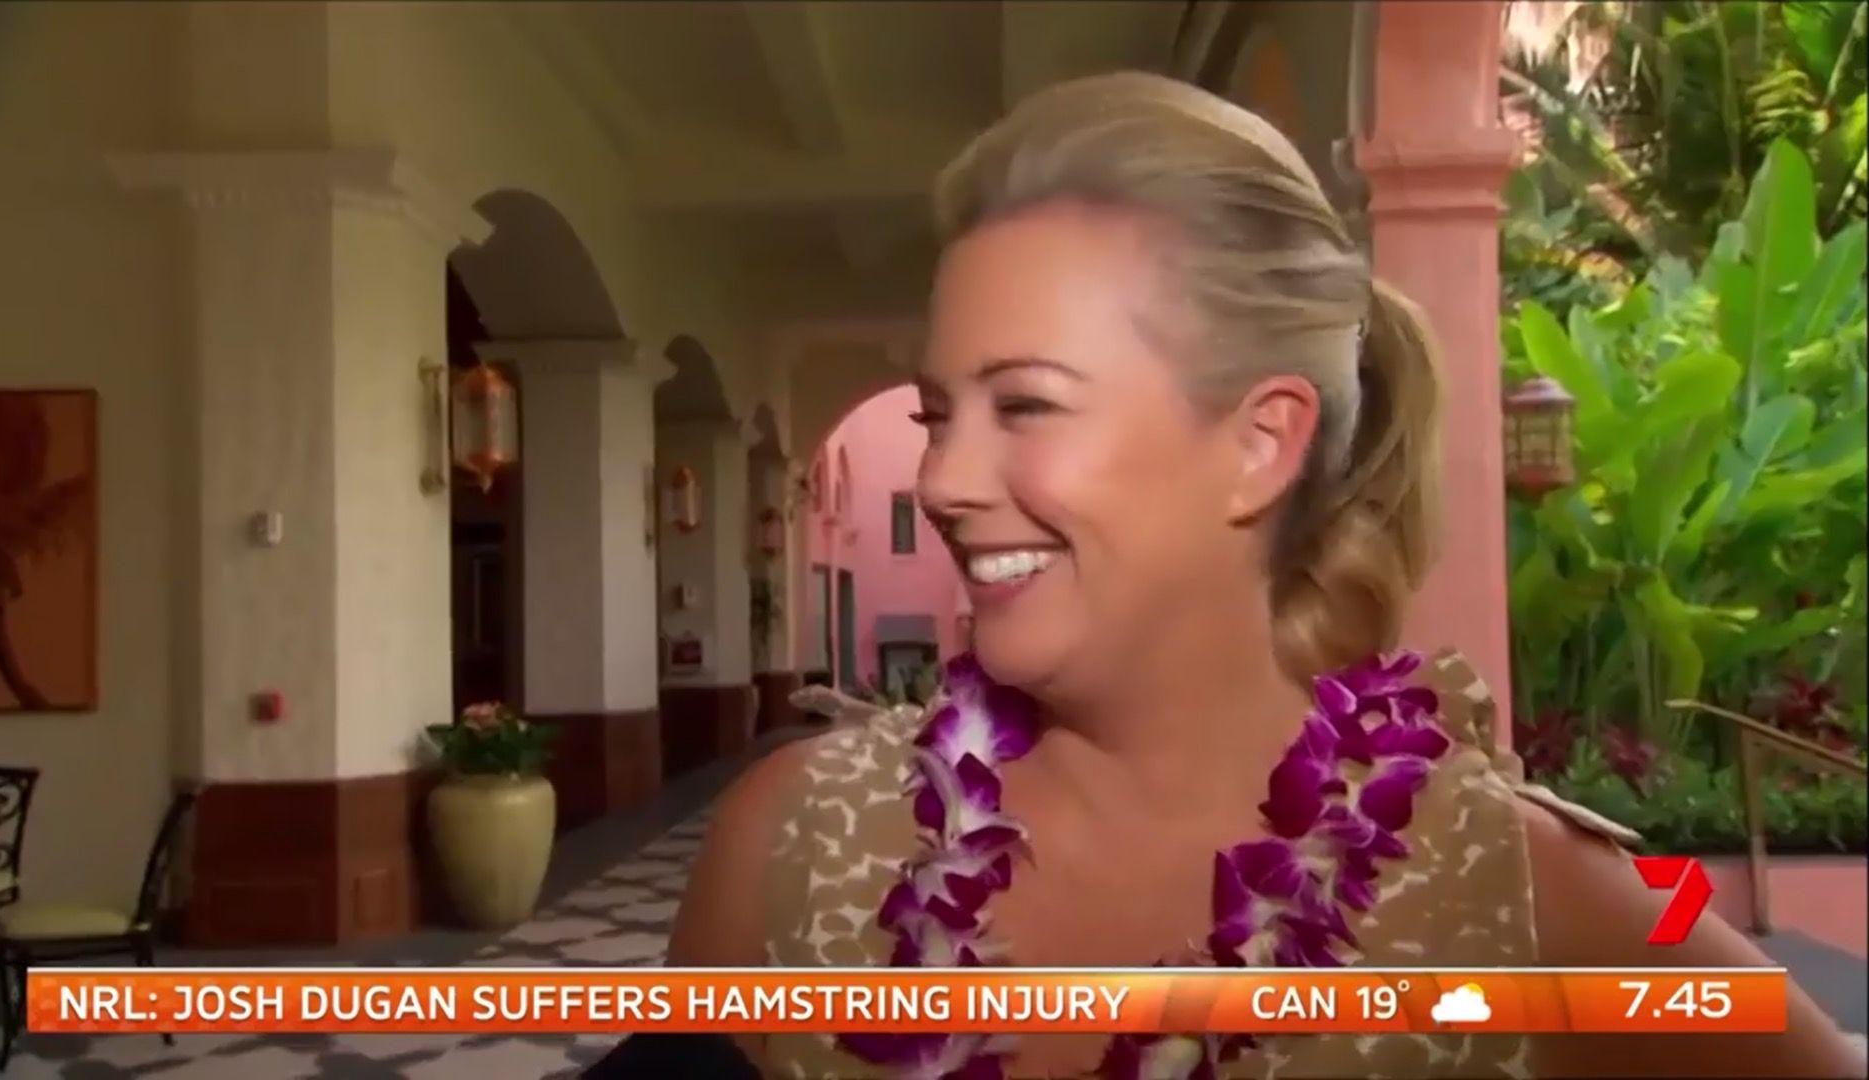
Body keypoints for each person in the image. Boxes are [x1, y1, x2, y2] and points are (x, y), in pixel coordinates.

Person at [666, 71, 1864, 1078]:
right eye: (937, 415)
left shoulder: (1527, 898)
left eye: (1024, 404)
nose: (944, 480)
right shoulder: (794, 846)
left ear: (1260, 440)